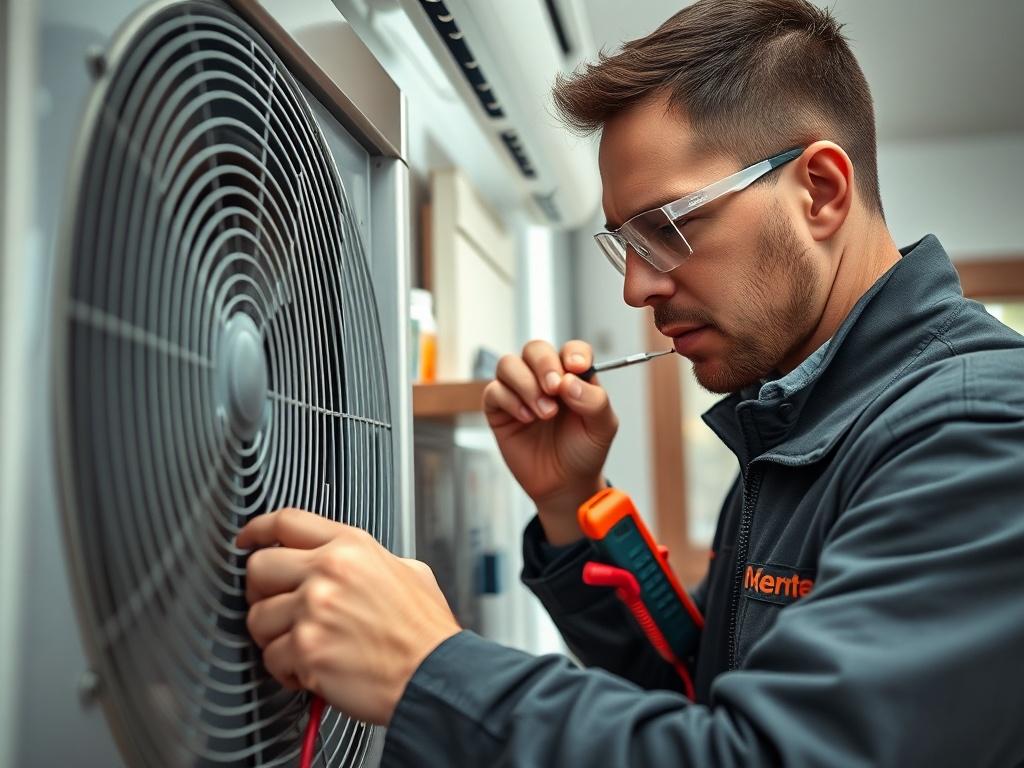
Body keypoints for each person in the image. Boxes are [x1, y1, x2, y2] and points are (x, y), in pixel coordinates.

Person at [239, 0, 1024, 764]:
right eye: (626, 243)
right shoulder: (794, 419)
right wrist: (571, 505)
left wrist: (428, 672)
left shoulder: (976, 431)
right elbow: (696, 692)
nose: (636, 289)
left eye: (667, 227)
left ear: (820, 191)